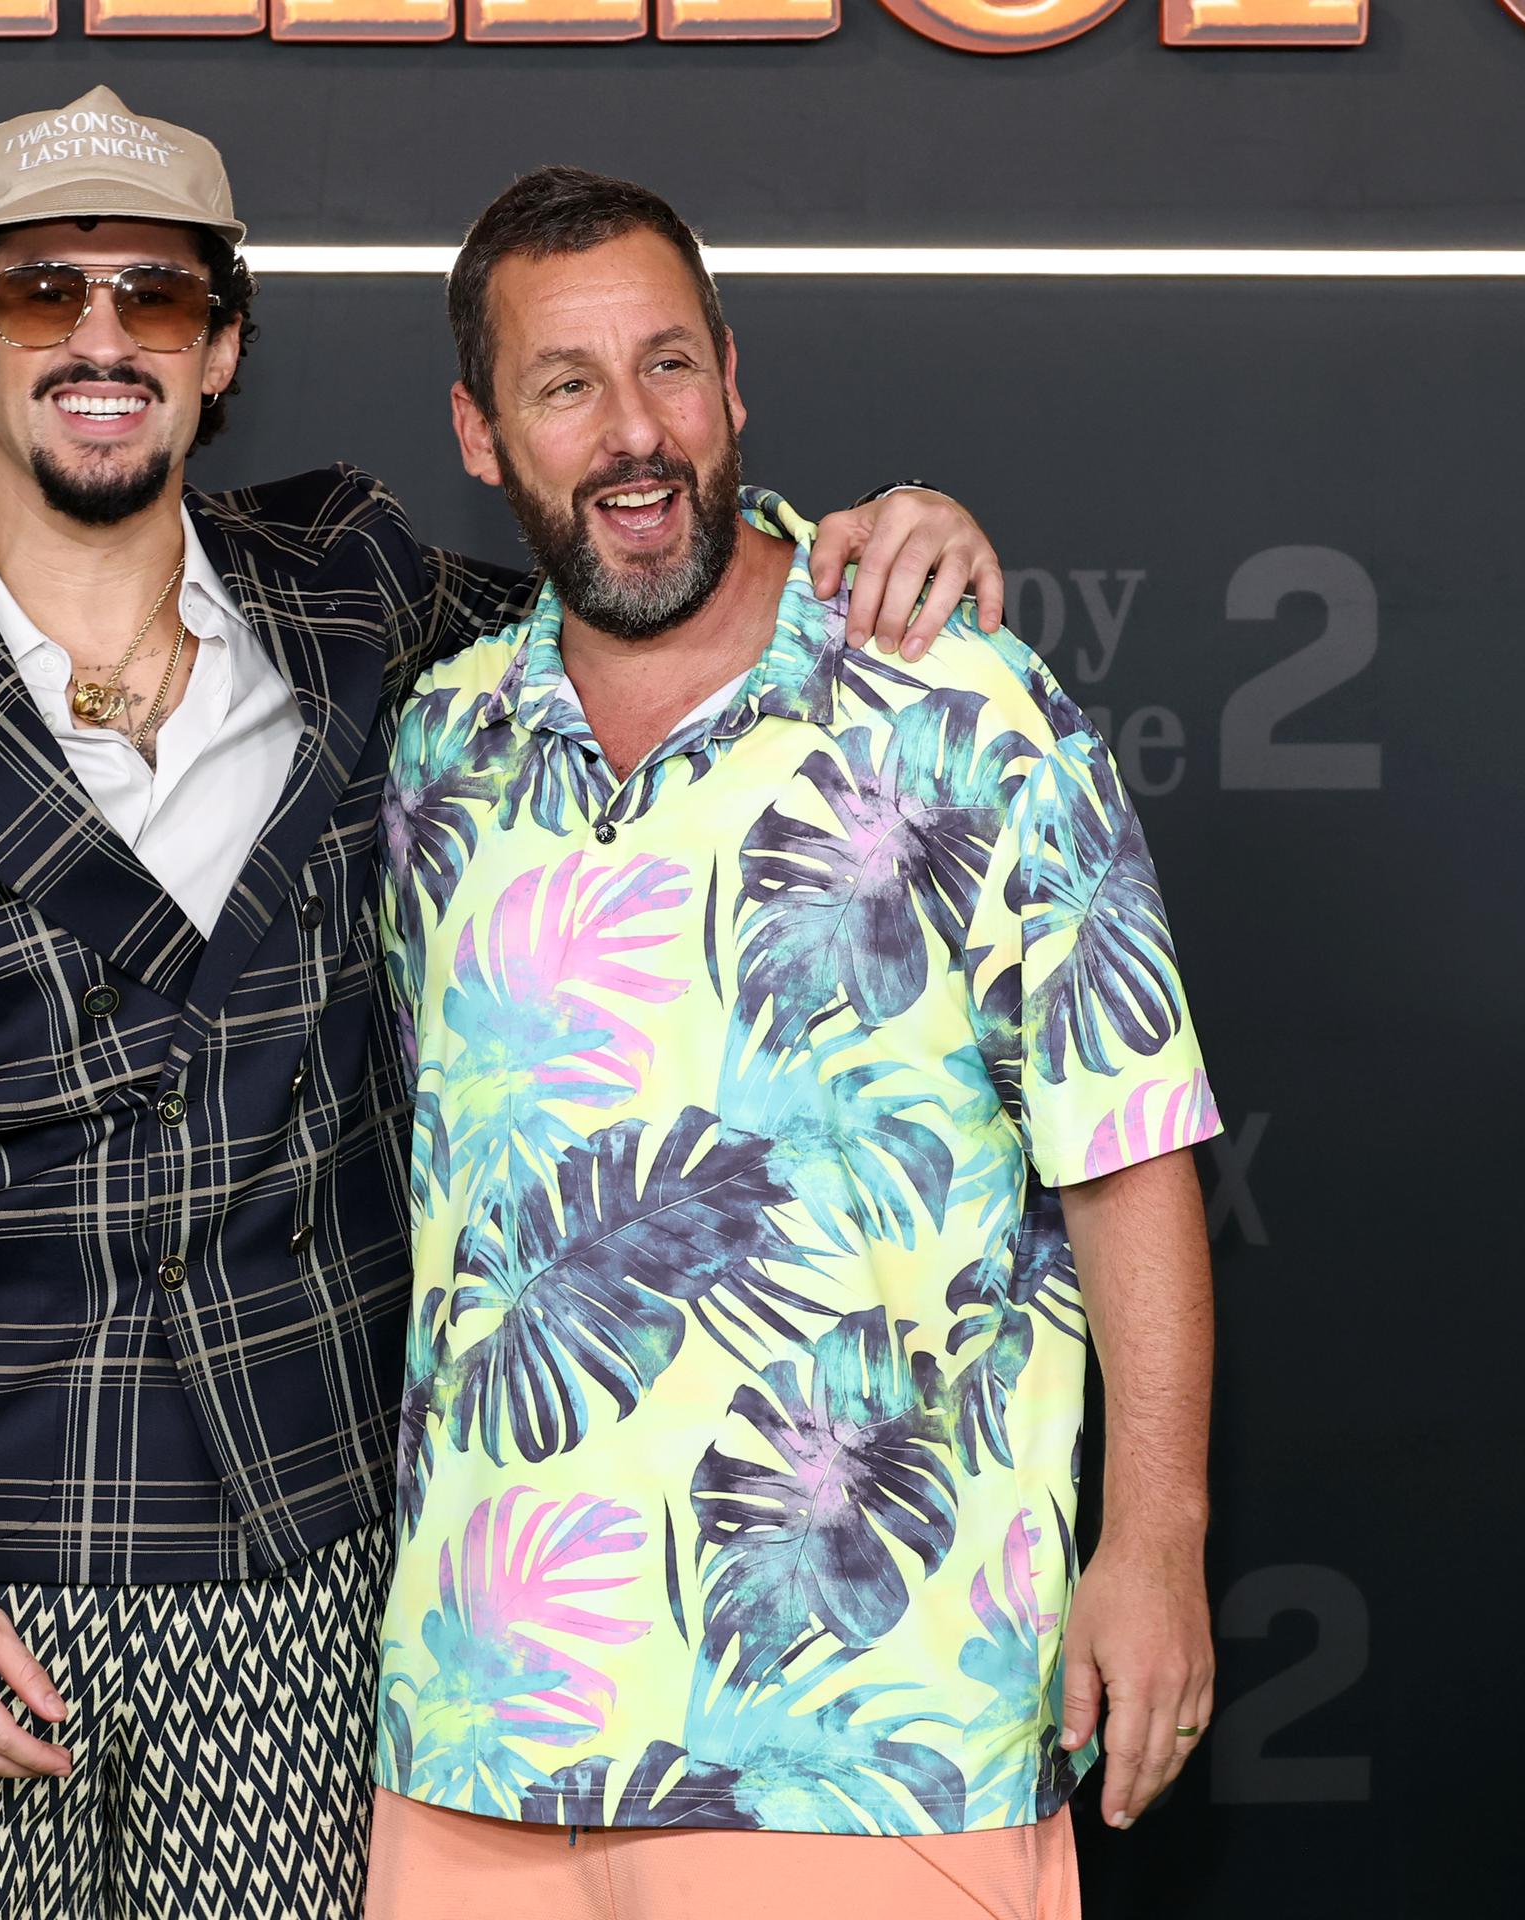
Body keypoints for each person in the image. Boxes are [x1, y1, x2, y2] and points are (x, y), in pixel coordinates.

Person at [0, 88, 1006, 1920]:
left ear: (220, 351)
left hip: (300, 1582)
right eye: (46, 293)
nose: (101, 338)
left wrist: (855, 534)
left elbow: (647, 585)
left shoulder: (366, 599)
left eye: (154, 296)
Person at [367, 166, 1221, 1919]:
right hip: (477, 1741)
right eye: (565, 384)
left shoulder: (953, 696)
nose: (634, 433)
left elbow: (1128, 1144)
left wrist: (1157, 1545)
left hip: (870, 1728)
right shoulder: (437, 746)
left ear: (735, 378)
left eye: (668, 366)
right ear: (477, 431)